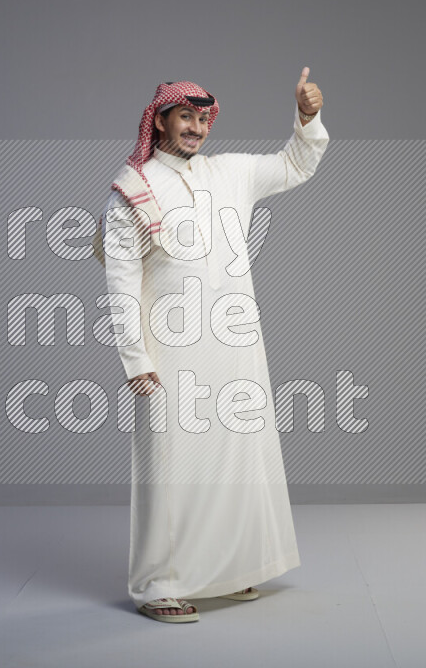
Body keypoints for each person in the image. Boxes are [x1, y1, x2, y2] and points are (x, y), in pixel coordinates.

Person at [95, 69, 328, 623]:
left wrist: (308, 117)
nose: (197, 127)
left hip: (234, 341)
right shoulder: (134, 188)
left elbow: (297, 163)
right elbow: (121, 281)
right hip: (170, 349)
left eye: (203, 118)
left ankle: (226, 571)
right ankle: (159, 586)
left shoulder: (231, 172)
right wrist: (135, 358)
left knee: (235, 459)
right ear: (161, 120)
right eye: (186, 117)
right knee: (171, 466)